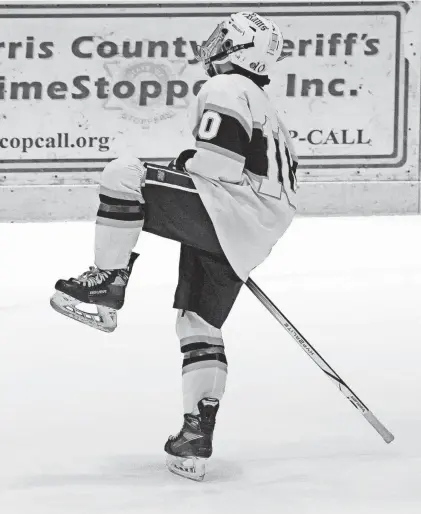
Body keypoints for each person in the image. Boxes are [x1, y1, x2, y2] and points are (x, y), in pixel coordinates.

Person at [50, 11, 298, 481]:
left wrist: (184, 164)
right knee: (197, 322)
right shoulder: (260, 98)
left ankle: (107, 279)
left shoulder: (227, 88)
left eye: (225, 37)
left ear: (240, 48)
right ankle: (195, 435)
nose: (215, 42)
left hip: (232, 207)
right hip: (254, 222)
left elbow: (219, 165)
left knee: (124, 174)